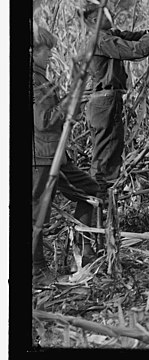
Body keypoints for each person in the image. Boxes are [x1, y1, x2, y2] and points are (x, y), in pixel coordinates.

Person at [83, 0, 149, 192]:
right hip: (105, 101)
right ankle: (98, 203)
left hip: (106, 100)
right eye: (105, 13)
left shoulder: (110, 34)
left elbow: (138, 37)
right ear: (95, 18)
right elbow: (138, 50)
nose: (111, 15)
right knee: (106, 154)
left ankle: (102, 203)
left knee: (109, 152)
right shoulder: (101, 39)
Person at [32, 26, 100, 285]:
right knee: (36, 217)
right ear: (33, 52)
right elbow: (43, 121)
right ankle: (37, 272)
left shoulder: (41, 79)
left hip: (53, 157)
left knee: (91, 193)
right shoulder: (35, 82)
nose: (51, 54)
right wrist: (71, 100)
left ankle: (82, 256)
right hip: (43, 159)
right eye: (46, 50)